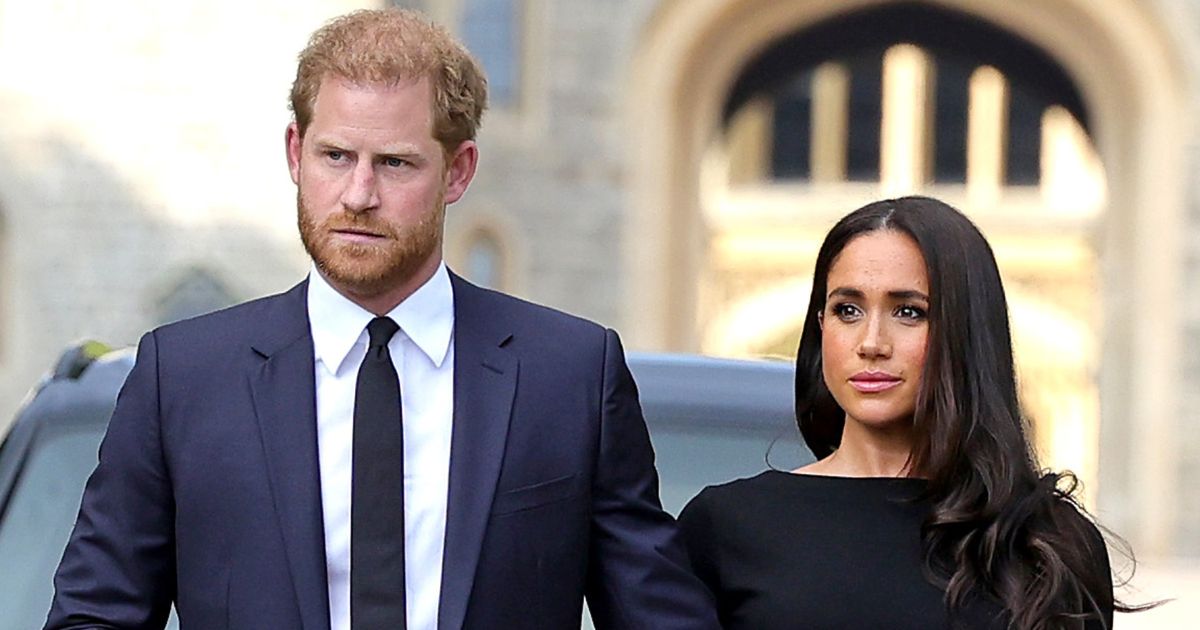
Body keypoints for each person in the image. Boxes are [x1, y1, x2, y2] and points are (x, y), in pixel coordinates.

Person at [45, 9, 719, 630]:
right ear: (293, 153)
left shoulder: (569, 375)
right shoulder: (182, 379)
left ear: (458, 172)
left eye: (395, 163)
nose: (359, 195)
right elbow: (94, 616)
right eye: (335, 157)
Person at [679, 196, 1133, 629]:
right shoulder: (726, 526)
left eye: (909, 312)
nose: (872, 343)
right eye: (848, 309)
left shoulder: (1046, 543)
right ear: (821, 326)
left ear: (965, 332)